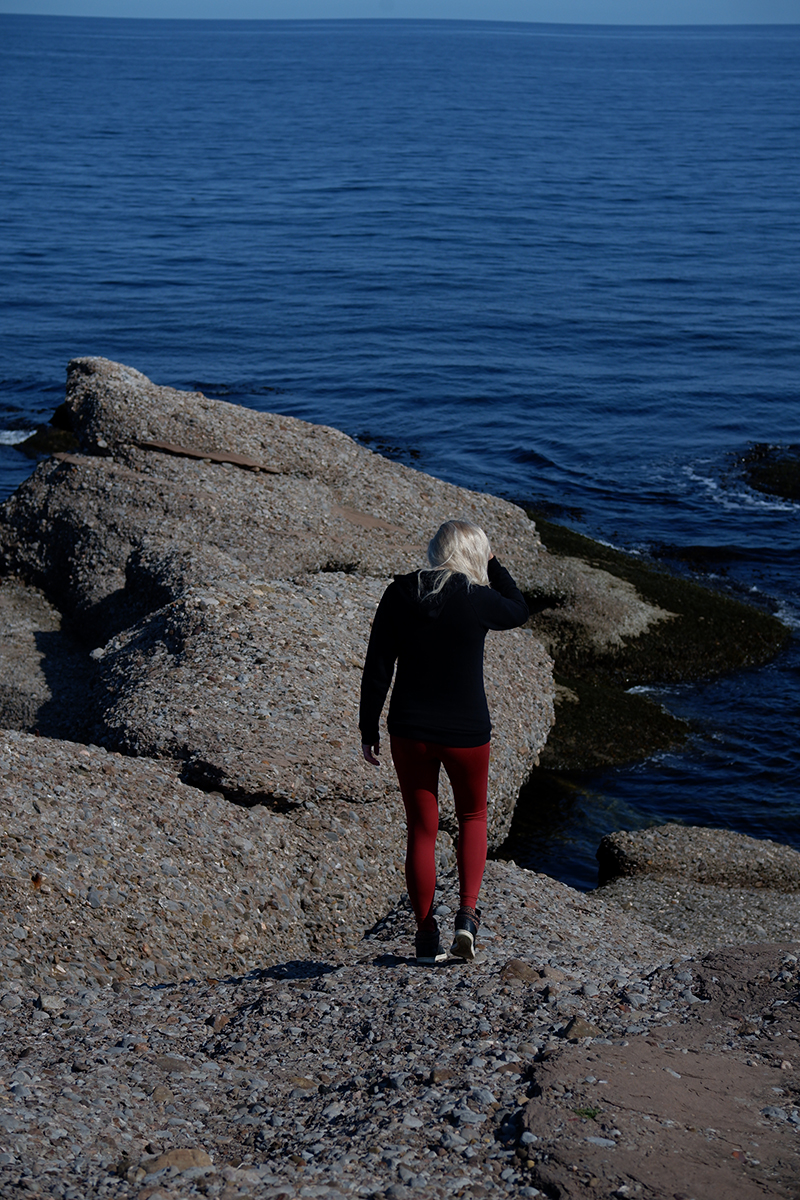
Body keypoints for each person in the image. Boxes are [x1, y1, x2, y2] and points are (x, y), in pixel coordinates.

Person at [359, 518, 529, 964]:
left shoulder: (398, 592)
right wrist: (494, 564)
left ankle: (424, 931)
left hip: (409, 730)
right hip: (467, 734)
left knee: (422, 828)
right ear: (474, 555)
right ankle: (466, 919)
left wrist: (367, 728)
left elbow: (378, 666)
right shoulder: (477, 598)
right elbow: (518, 608)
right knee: (473, 816)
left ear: (435, 550)